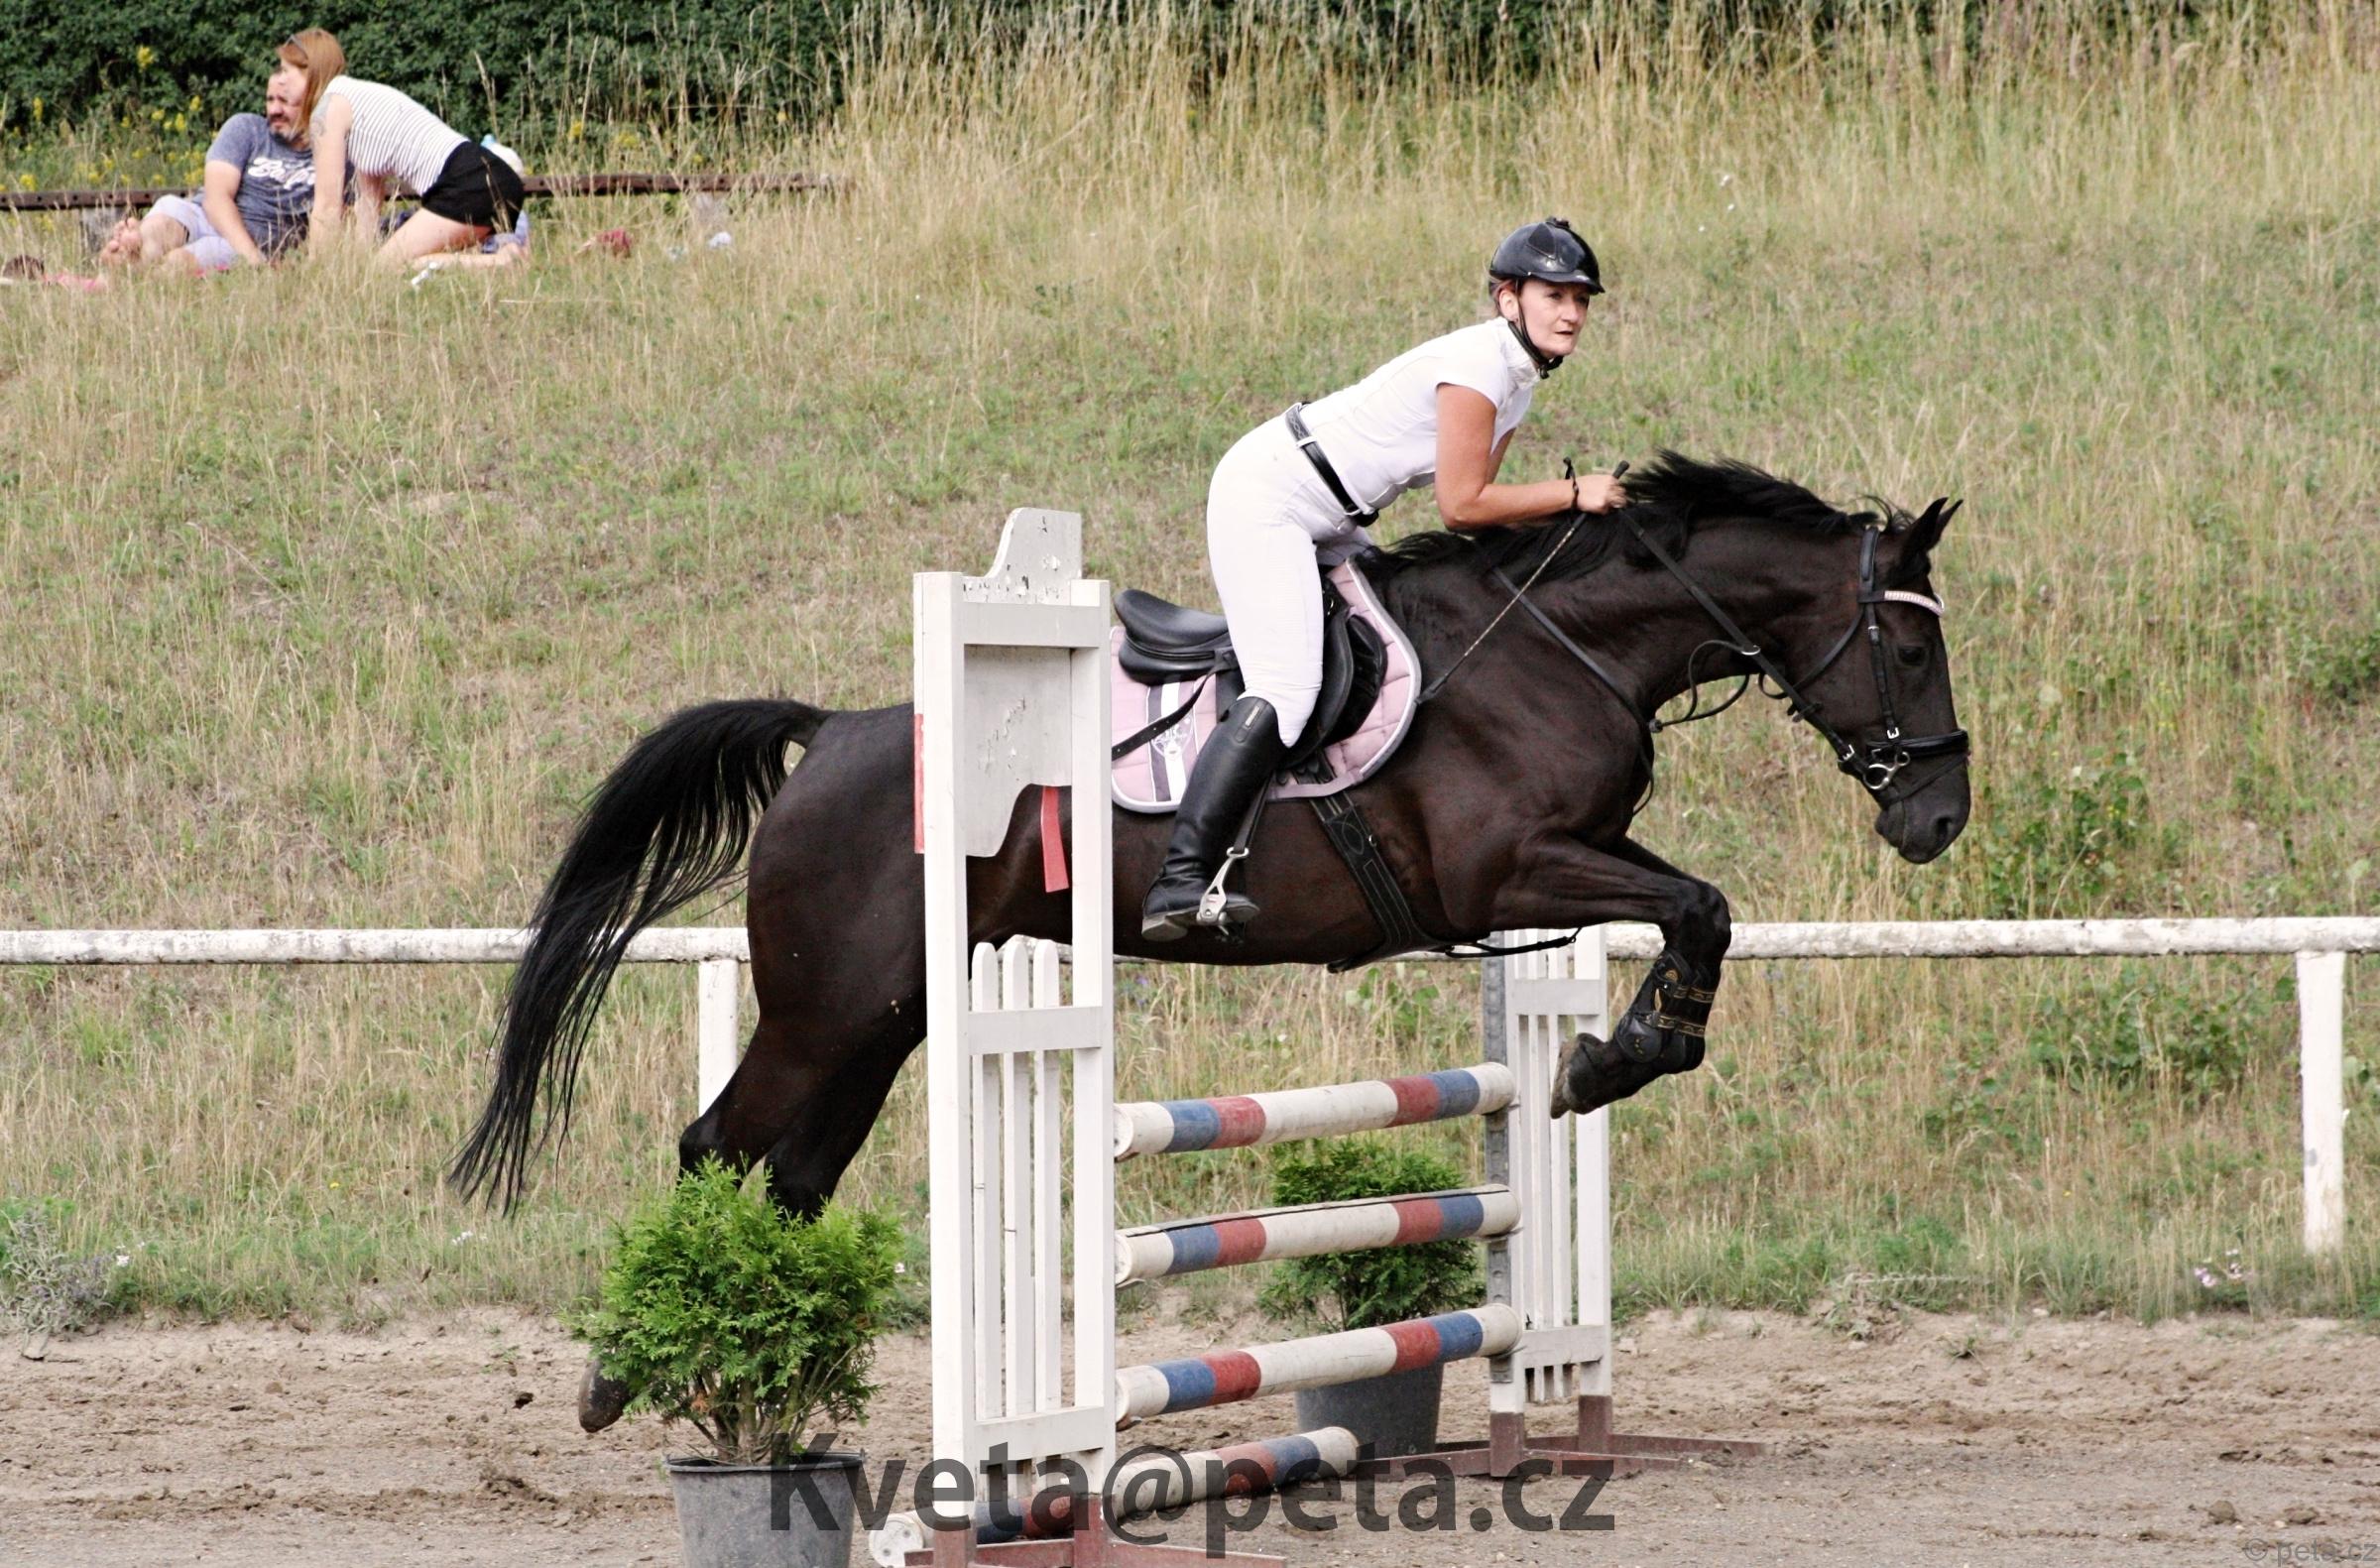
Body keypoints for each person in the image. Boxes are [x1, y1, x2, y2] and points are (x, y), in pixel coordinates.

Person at [1139, 218, 1628, 941]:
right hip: (1271, 498)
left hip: (1333, 512)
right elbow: (1462, 505)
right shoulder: (1480, 366)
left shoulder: (1517, 380)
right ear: (1508, 299)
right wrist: (1572, 492)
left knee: (1395, 631)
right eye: (1554, 296)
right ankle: (1179, 879)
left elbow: (1483, 512)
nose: (1571, 313)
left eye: (1581, 300)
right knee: (1287, 688)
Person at [280, 29, 525, 268]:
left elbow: (327, 207)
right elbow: (369, 200)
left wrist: (316, 271)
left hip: (467, 184)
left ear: (309, 70)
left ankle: (500, 262)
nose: (280, 81)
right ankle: (501, 256)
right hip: (493, 177)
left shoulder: (328, 109)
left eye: (285, 71)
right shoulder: (357, 97)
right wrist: (359, 266)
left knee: (388, 268)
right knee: (388, 265)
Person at [97, 56, 322, 276]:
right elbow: (216, 200)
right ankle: (134, 248)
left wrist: (253, 258)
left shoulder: (325, 155)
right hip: (200, 215)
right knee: (164, 222)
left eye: (285, 101)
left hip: (243, 243)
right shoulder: (247, 128)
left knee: (181, 262)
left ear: (311, 101)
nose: (274, 110)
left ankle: (131, 268)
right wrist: (254, 260)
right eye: (270, 100)